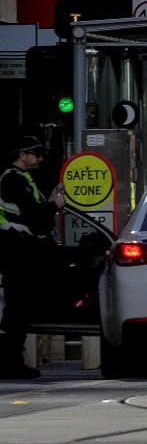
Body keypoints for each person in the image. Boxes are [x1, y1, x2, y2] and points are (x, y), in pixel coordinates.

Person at [0, 136, 65, 378]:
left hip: (20, 249)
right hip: (15, 249)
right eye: (35, 153)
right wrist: (54, 205)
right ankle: (11, 362)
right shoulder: (13, 180)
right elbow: (33, 216)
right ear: (22, 155)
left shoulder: (22, 179)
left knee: (19, 308)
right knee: (16, 309)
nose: (39, 158)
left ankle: (12, 361)